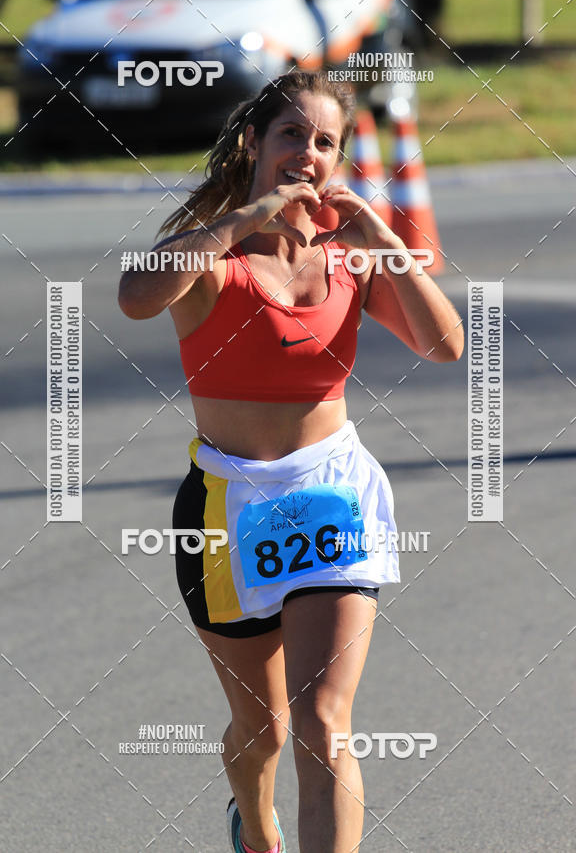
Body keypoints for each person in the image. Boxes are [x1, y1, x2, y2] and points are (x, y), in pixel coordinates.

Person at [118, 71, 463, 853]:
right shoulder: (215, 258)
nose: (308, 154)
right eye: (291, 135)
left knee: (320, 718)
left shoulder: (348, 258)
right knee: (265, 726)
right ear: (253, 145)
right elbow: (135, 296)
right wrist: (242, 219)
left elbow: (447, 347)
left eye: (325, 142)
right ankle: (254, 820)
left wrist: (383, 239)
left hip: (331, 496)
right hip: (225, 508)